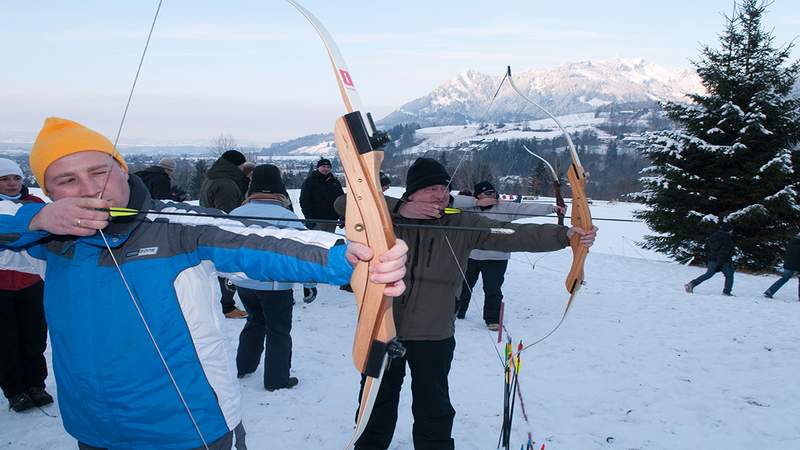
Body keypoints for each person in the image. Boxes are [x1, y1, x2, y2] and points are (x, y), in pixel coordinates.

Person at [0, 117, 408, 450]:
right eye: (67, 181)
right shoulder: (48, 240)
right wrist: (33, 220)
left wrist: (351, 258)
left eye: (99, 171)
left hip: (189, 429)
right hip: (92, 430)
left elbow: (258, 239)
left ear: (122, 171)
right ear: (48, 192)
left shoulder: (178, 227)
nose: (89, 189)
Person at [337, 157, 596, 450]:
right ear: (412, 192)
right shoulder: (382, 219)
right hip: (382, 328)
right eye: (431, 188)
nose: (441, 195)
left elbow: (510, 233)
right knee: (374, 403)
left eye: (443, 188)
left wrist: (565, 235)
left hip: (434, 334)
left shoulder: (460, 220)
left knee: (433, 407)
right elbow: (342, 203)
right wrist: (398, 208)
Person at [229, 164, 315, 391]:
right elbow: (304, 253)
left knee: (254, 320)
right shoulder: (287, 217)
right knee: (278, 330)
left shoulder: (235, 214)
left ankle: (244, 365)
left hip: (243, 282)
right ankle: (277, 380)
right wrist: (309, 283)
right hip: (275, 285)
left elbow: (225, 249)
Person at [453, 181, 565, 330]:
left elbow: (526, 208)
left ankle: (492, 320)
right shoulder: (468, 207)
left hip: (496, 257)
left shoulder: (504, 206)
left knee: (492, 289)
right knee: (463, 286)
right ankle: (459, 312)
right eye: (487, 193)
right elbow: (450, 201)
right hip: (471, 256)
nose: (492, 195)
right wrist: (475, 202)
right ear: (478, 195)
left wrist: (552, 208)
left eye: (493, 192)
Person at [0, 158, 52, 413]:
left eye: (16, 178)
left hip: (32, 282)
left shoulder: (36, 205)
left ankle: (36, 385)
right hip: (1, 286)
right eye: (5, 179)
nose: (11, 183)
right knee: (6, 341)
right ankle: (15, 391)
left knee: (34, 337)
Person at [200, 150, 251, 319]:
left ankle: (221, 304)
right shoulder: (227, 184)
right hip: (224, 234)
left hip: (208, 230)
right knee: (228, 271)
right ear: (237, 165)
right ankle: (227, 306)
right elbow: (228, 213)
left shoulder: (212, 177)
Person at [685, 222, 736, 295]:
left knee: (708, 274)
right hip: (723, 262)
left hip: (712, 260)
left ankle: (692, 284)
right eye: (731, 230)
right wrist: (720, 264)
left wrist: (710, 257)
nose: (732, 231)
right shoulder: (727, 239)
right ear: (728, 230)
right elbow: (723, 252)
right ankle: (727, 292)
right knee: (729, 275)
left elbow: (707, 248)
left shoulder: (713, 236)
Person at [299, 158, 344, 233]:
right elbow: (304, 201)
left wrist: (342, 216)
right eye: (323, 166)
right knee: (316, 242)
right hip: (317, 220)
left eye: (328, 167)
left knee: (329, 241)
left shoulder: (335, 182)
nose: (326, 169)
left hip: (332, 220)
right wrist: (309, 219)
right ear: (318, 167)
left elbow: (341, 200)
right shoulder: (310, 181)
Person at [763, 234, 800, 300]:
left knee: (784, 279)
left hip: (788, 265)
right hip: (798, 265)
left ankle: (770, 291)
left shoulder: (790, 243)